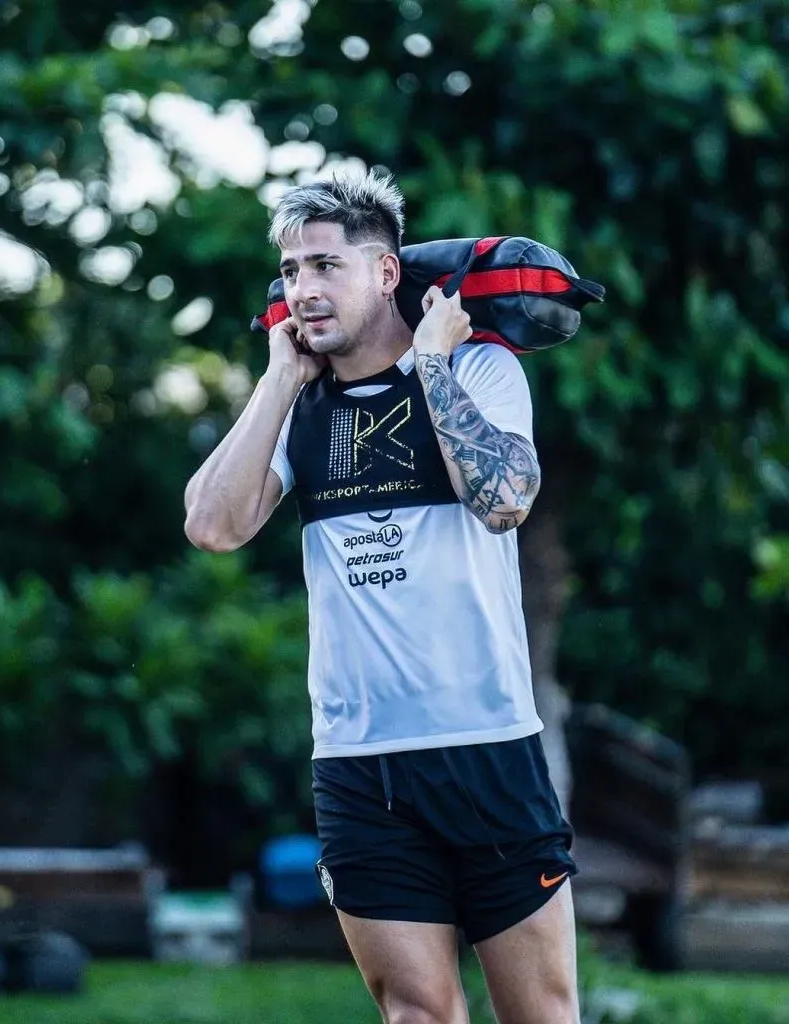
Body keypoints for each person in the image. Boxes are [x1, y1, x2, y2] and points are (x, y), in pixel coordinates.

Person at [184, 169, 580, 1024]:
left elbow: (504, 499)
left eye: (325, 265)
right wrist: (276, 382)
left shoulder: (480, 368)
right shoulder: (301, 405)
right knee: (414, 1011)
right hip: (358, 763)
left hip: (486, 747)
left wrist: (431, 365)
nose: (304, 290)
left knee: (540, 1014)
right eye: (290, 271)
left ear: (386, 273)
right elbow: (213, 526)